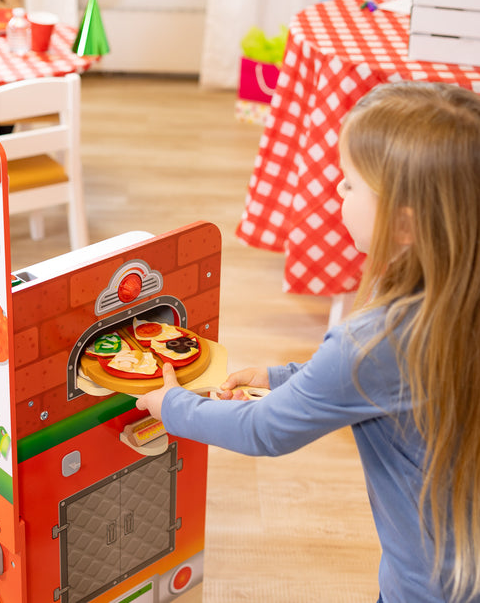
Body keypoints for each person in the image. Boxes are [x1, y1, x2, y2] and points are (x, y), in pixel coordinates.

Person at [136, 81, 480, 603]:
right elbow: (385, 387)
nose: (337, 197)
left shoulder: (373, 340)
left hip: (428, 585)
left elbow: (263, 430)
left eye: (348, 187)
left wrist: (173, 406)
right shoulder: (451, 298)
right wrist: (281, 378)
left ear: (404, 223)